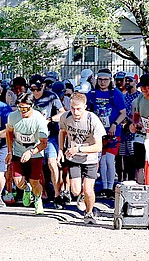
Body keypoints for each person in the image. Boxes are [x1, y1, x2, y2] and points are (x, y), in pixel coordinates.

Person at [58, 92, 106, 224]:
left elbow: (98, 146)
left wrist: (78, 149)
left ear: (84, 106)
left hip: (90, 158)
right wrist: (61, 150)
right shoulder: (65, 117)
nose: (75, 111)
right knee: (75, 190)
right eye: (72, 108)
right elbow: (62, 132)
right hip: (74, 158)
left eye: (78, 108)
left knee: (88, 189)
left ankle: (89, 213)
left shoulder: (92, 120)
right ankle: (81, 195)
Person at [6, 93, 49, 215]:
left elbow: (44, 143)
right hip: (18, 151)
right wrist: (9, 151)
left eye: (25, 108)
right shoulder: (13, 117)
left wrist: (31, 152)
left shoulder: (39, 119)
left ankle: (38, 199)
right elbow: (8, 132)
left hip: (35, 153)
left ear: (32, 106)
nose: (22, 111)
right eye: (20, 108)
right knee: (18, 182)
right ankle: (26, 189)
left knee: (35, 181)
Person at [87, 68, 126, 198]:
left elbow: (123, 113)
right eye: (101, 79)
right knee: (102, 160)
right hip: (98, 132)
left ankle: (110, 186)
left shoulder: (116, 94)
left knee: (110, 159)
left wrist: (115, 125)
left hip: (113, 131)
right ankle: (104, 187)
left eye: (106, 80)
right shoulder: (92, 93)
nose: (103, 82)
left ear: (110, 80)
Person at [28, 74, 66, 206]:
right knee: (36, 166)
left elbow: (62, 113)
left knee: (52, 163)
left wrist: (49, 119)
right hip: (34, 137)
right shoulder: (28, 98)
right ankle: (41, 193)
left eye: (38, 89)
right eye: (33, 89)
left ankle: (57, 195)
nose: (36, 92)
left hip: (50, 136)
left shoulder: (51, 96)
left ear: (43, 86)